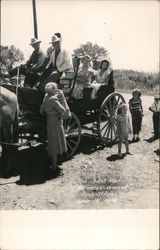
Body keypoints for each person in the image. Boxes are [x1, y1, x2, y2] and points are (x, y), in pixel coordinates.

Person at [40, 82, 70, 174]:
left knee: (52, 143)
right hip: (57, 124)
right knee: (56, 144)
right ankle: (54, 167)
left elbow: (41, 111)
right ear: (52, 90)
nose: (57, 90)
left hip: (49, 123)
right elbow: (65, 113)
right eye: (55, 89)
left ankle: (53, 165)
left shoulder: (45, 98)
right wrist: (63, 98)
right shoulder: (53, 99)